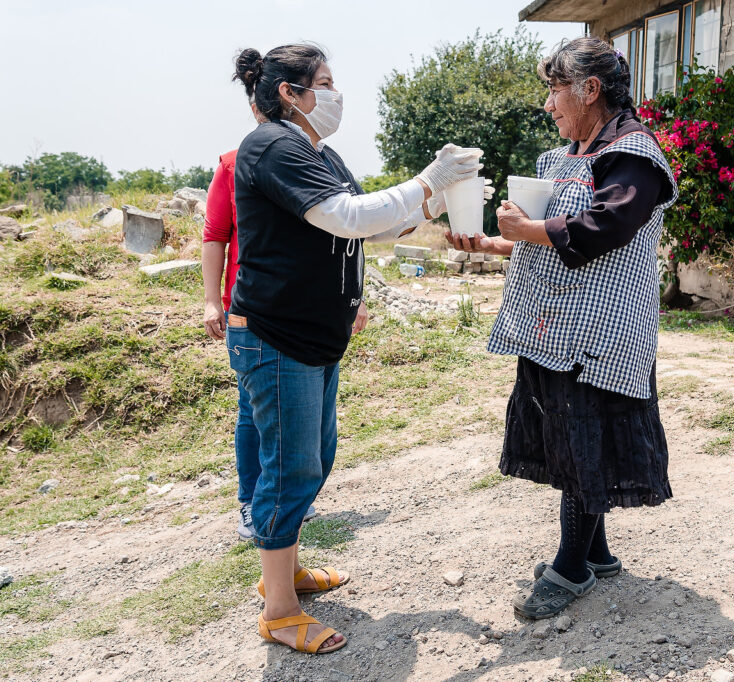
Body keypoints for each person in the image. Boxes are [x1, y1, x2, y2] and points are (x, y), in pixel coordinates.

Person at [229, 43, 488, 654]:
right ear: (290, 92)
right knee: (290, 467)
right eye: (324, 82)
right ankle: (278, 611)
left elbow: (371, 223)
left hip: (312, 336)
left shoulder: (318, 152)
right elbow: (346, 217)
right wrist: (426, 179)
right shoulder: (272, 146)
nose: (334, 93)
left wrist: (434, 198)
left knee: (313, 457)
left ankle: (285, 571)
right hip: (276, 335)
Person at [447, 37, 677, 619]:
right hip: (554, 325)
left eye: (554, 90)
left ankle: (571, 566)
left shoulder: (633, 155)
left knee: (583, 437)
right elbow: (543, 238)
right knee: (572, 433)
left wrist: (526, 230)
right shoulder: (566, 155)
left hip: (601, 330)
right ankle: (596, 553)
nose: (548, 104)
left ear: (589, 90)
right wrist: (488, 243)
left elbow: (604, 226)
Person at [201, 140, 338, 540]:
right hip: (252, 310)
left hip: (308, 311)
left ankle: (287, 499)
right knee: (252, 411)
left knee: (311, 416)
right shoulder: (233, 165)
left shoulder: (317, 160)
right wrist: (211, 301)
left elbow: (341, 234)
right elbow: (215, 235)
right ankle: (252, 503)